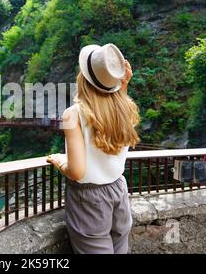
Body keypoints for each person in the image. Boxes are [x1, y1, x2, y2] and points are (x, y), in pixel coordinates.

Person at [47, 43, 140, 254]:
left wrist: (60, 161)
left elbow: (77, 171)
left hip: (89, 200)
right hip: (119, 190)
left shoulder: (73, 114)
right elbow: (112, 108)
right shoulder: (126, 107)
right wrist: (122, 85)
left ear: (83, 77)